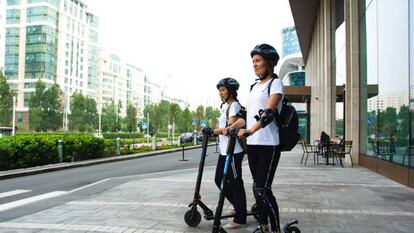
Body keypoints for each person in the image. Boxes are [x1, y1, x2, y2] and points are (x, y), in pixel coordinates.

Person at [236, 44, 284, 233]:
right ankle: (263, 226)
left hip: (269, 144)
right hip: (253, 145)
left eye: (258, 61)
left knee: (263, 188)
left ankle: (276, 229)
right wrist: (228, 128)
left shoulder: (275, 84)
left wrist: (250, 130)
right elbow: (244, 115)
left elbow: (268, 114)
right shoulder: (254, 87)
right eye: (253, 61)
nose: (254, 65)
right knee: (257, 189)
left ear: (269, 62)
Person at [210, 77, 247, 229]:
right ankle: (238, 206)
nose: (221, 93)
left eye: (223, 90)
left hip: (233, 151)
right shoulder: (227, 106)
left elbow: (229, 128)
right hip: (225, 152)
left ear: (231, 91)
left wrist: (215, 131)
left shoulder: (234, 105)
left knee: (235, 183)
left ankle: (240, 217)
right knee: (219, 179)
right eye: (219, 90)